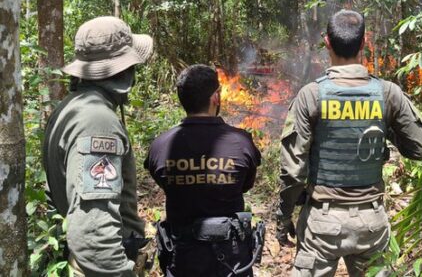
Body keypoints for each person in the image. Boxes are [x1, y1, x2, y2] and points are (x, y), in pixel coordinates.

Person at [276, 10, 422, 277]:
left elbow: (293, 171)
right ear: (364, 44)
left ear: (327, 42)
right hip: (371, 222)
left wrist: (283, 218)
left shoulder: (310, 95)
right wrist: (386, 126)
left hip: (321, 224)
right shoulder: (387, 93)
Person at [42, 16, 153, 275]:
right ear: (124, 71)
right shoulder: (97, 122)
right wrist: (120, 271)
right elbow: (94, 228)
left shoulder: (70, 108)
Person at [146, 64, 262, 277]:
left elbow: (164, 182)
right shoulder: (241, 142)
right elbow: (246, 185)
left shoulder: (160, 146)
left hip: (182, 259)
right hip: (231, 260)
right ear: (215, 97)